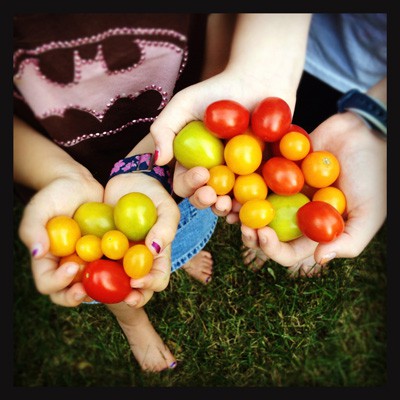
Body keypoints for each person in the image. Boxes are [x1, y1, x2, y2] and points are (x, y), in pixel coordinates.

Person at [13, 13, 224, 372]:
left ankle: (180, 254)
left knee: (173, 228)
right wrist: (59, 175)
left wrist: (146, 161)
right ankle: (133, 323)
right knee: (113, 278)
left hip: (172, 158)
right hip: (59, 166)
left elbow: (223, 49)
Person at [150, 13, 387, 277]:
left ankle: (287, 234)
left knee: (301, 146)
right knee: (283, 143)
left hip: (370, 82)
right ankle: (272, 229)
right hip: (289, 43)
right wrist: (259, 69)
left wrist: (374, 125)